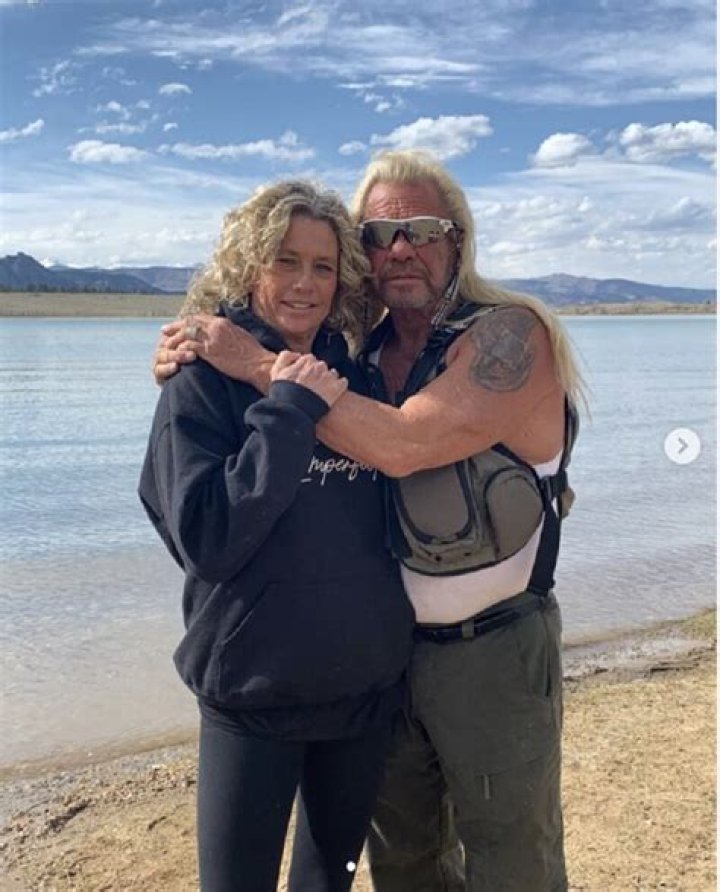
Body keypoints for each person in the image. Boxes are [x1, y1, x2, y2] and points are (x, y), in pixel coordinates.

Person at [154, 151, 585, 892]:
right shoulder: (361, 356)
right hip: (384, 665)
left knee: (512, 861)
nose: (401, 249)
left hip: (493, 651)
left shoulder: (508, 336)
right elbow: (206, 513)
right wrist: (198, 357)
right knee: (405, 862)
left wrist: (256, 363)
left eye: (422, 229)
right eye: (380, 235)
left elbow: (404, 443)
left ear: (458, 239)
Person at [139, 179, 416, 892]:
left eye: (322, 266)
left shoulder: (352, 377)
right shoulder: (201, 379)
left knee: (330, 883)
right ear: (247, 265)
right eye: (284, 261)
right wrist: (288, 407)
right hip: (252, 692)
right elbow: (206, 538)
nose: (304, 283)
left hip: (360, 691)